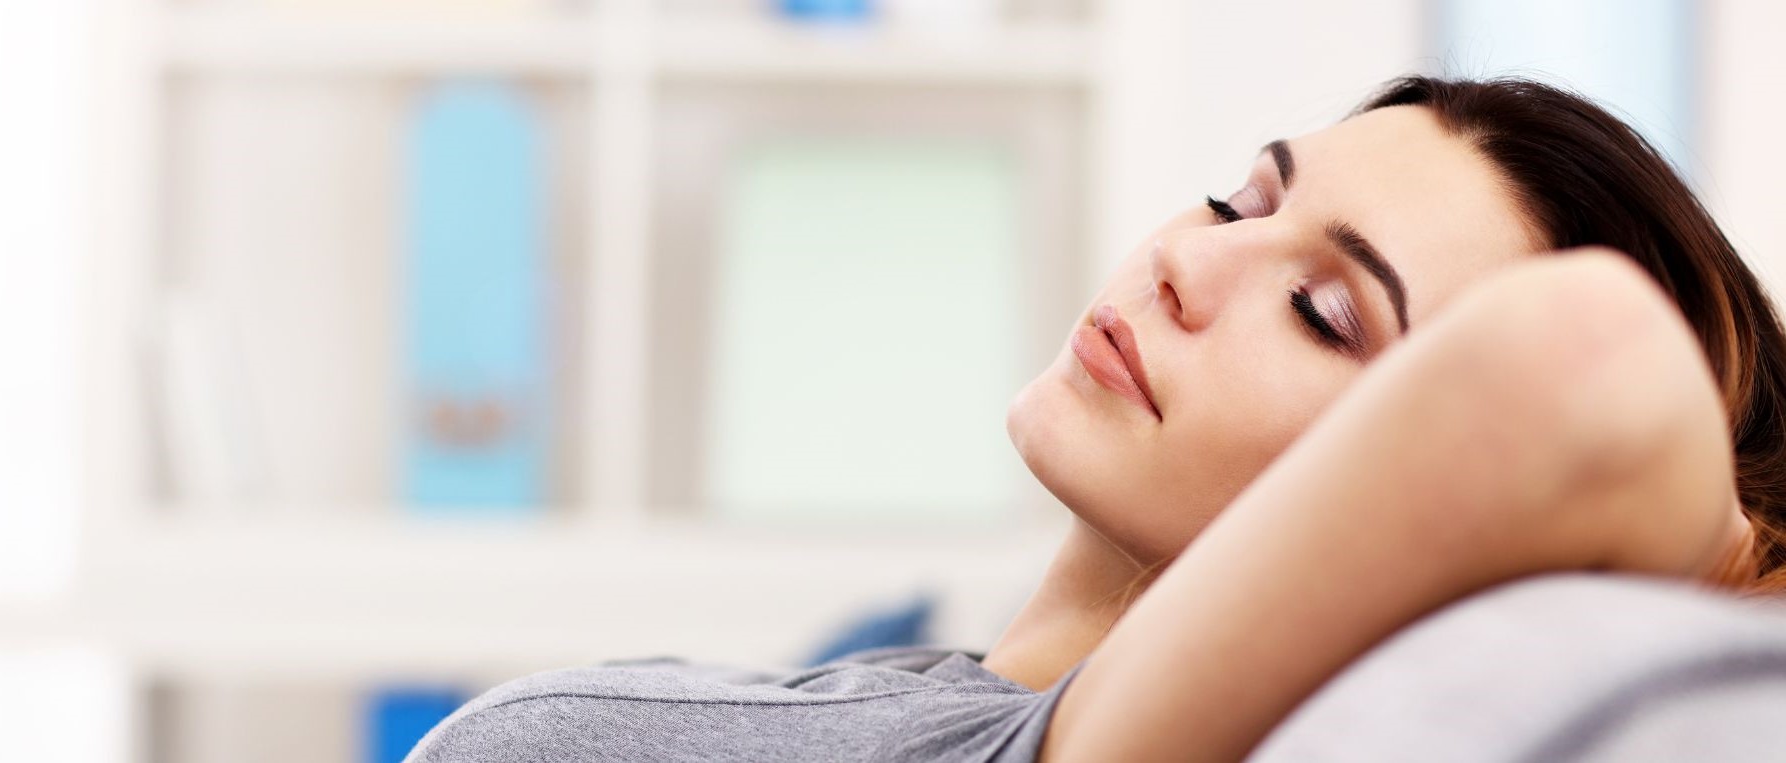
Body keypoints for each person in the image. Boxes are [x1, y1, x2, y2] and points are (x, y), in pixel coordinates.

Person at [406, 76, 1786, 762]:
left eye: (1325, 312)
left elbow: (1585, 367)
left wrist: (1738, 548)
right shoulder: (925, 692)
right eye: (1244, 201)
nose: (1189, 261)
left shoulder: (1113, 741)